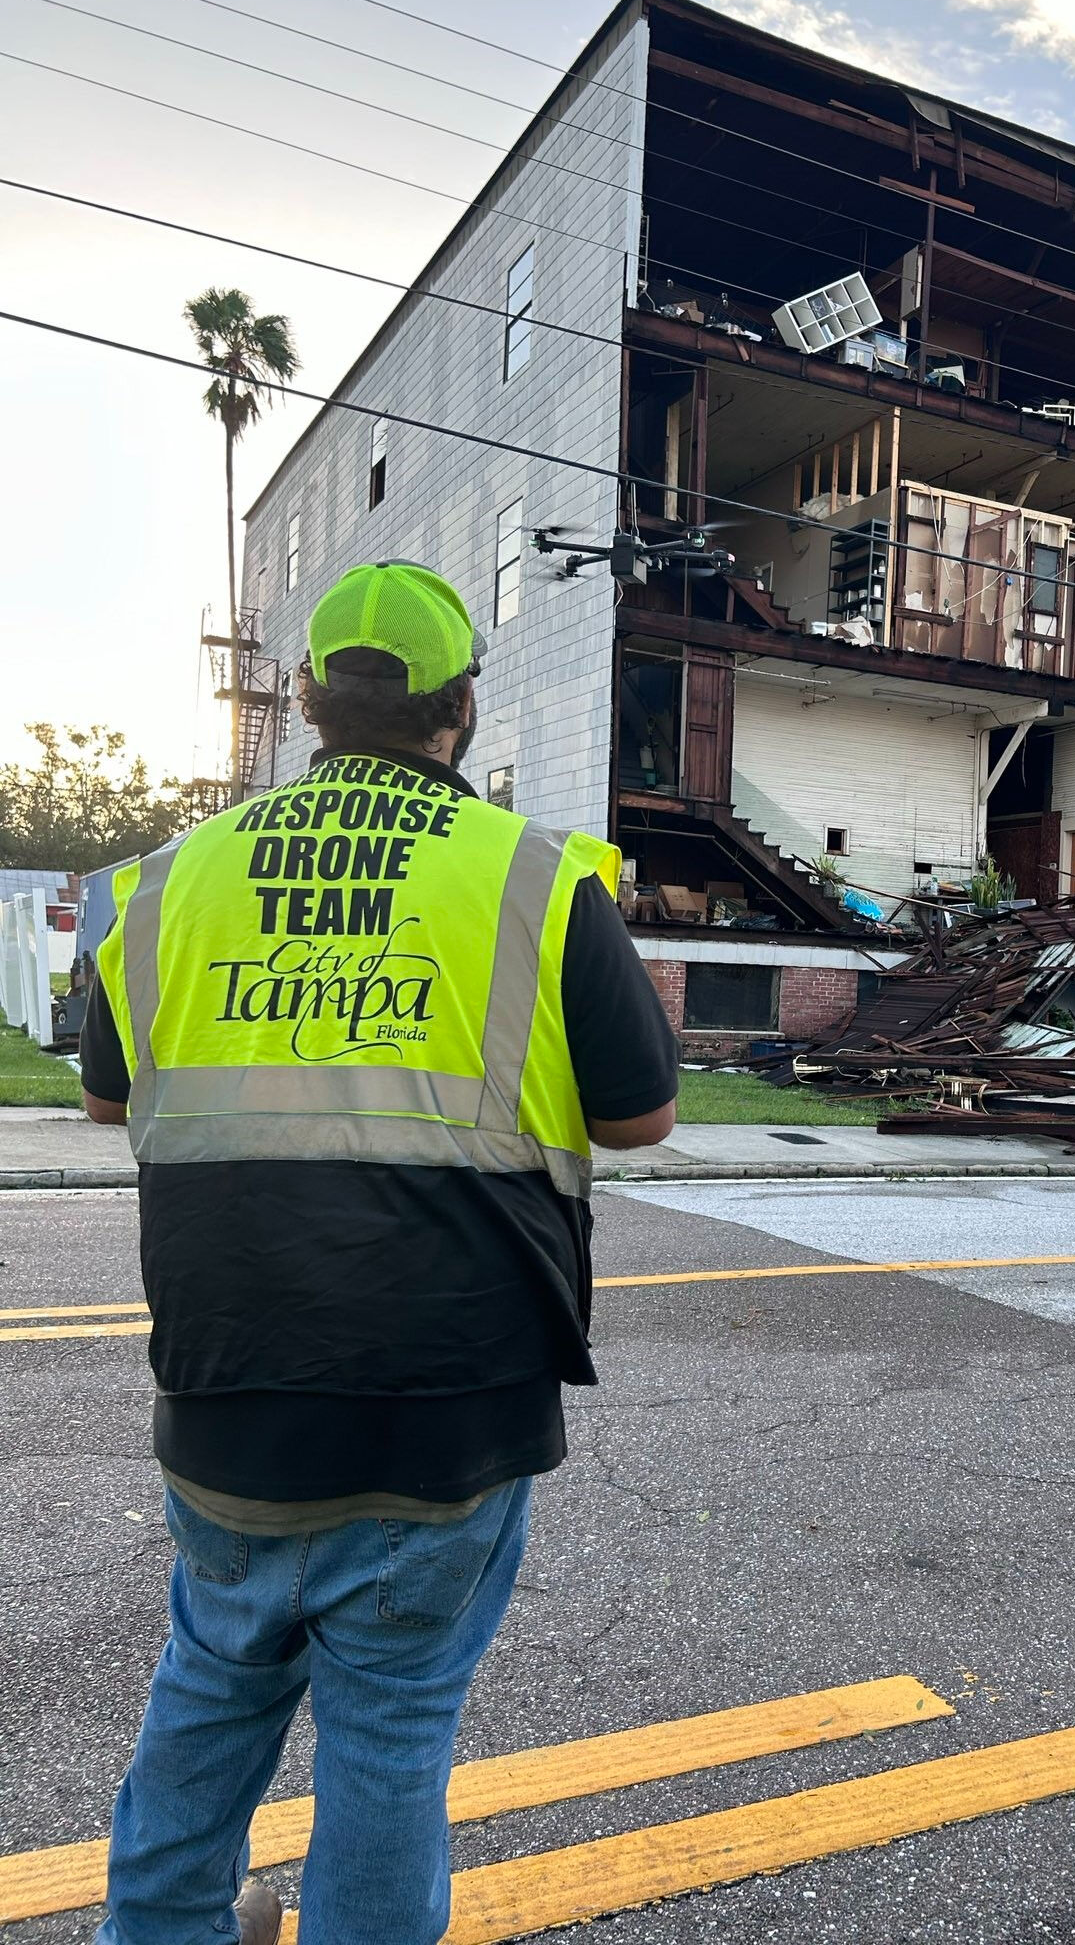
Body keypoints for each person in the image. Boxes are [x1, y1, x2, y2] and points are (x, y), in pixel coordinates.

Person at [81, 562, 678, 1945]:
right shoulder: (532, 876)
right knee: (392, 1731)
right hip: (449, 1401)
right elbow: (640, 1114)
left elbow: (111, 1097)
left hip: (227, 1385)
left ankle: (158, 1930)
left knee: (209, 1686)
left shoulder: (170, 879)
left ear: (306, 702)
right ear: (459, 707)